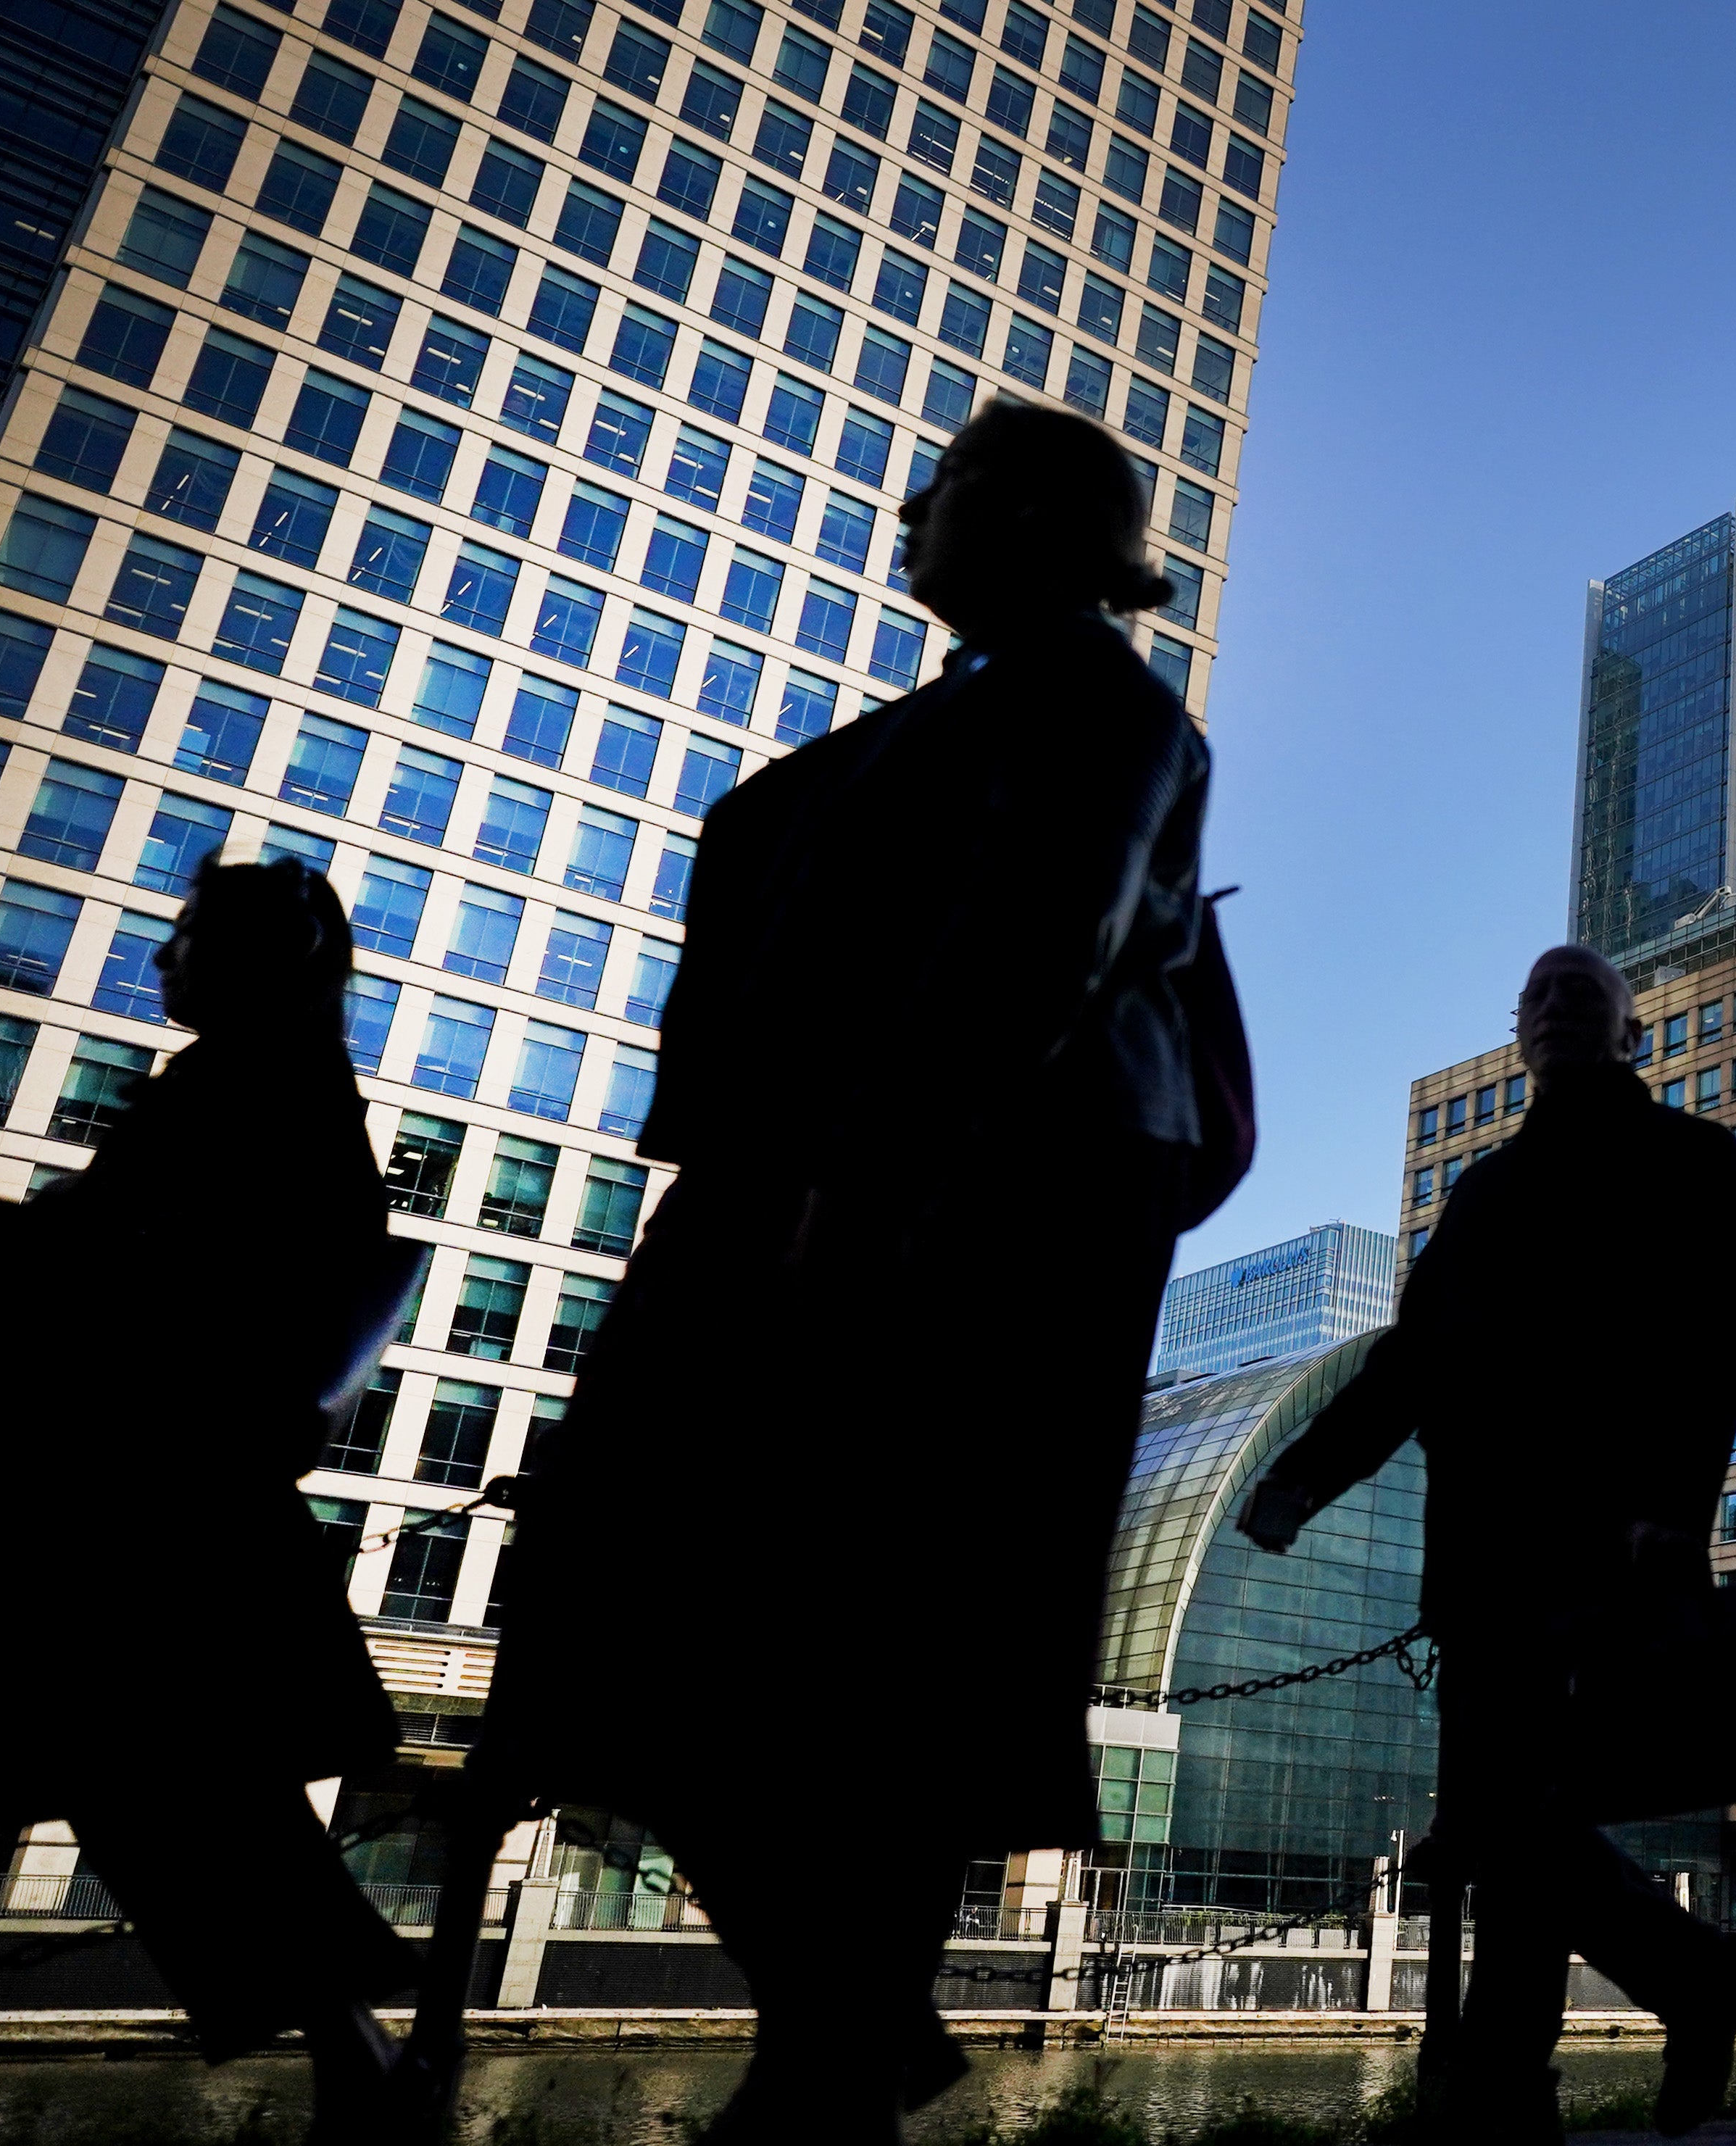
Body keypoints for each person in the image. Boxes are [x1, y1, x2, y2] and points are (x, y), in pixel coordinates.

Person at [475, 402, 1211, 2144]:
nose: (906, 511)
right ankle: (849, 2031)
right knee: (641, 1607)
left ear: (1024, 516)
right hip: (802, 1184)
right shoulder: (945, 714)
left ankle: (829, 2062)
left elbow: (1043, 929)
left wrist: (874, 1173)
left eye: (939, 487)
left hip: (956, 1202)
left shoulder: (1104, 702)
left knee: (871, 1638)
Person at [1234, 946, 1736, 2145]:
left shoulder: (1693, 1159)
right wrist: (1304, 1476)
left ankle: (1646, 2001)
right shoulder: (1482, 1190)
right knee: (1515, 1825)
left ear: (1631, 1032)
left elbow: (1715, 1348)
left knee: (1504, 1820)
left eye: (1585, 994)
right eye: (1540, 996)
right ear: (1518, 1032)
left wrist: (1673, 1511)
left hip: (1607, 1547)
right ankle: (1533, 2081)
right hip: (1480, 1558)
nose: (1559, 1008)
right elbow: (1410, 1362)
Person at [0, 860, 414, 2133]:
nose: (161, 957)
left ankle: (360, 2063)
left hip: (119, 1498)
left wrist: (51, 1243)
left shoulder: (247, 1090)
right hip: (138, 1499)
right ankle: (359, 2062)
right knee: (185, 1779)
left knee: (168, 1771)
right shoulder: (278, 1085)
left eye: (187, 934)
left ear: (259, 958)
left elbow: (153, 1274)